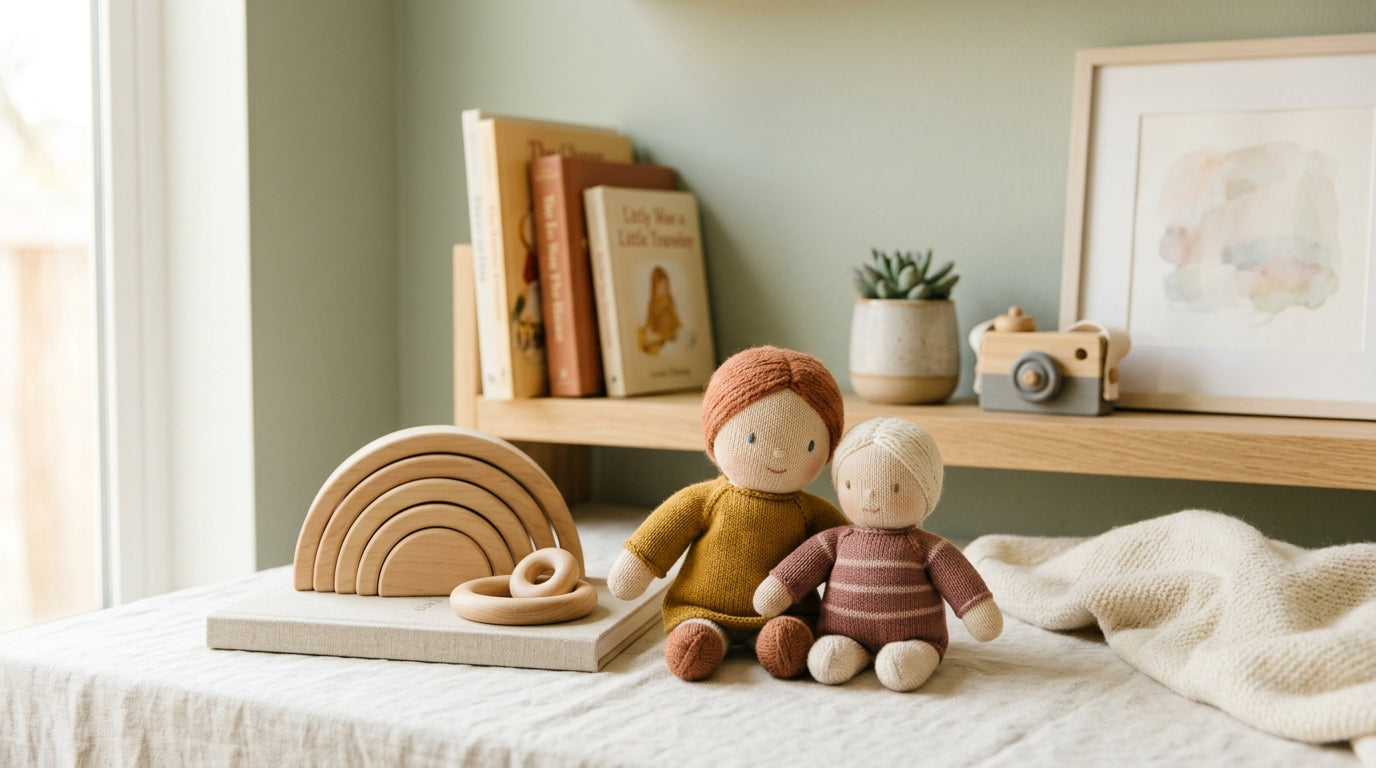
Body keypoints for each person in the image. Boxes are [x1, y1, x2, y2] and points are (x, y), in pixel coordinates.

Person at [608, 346, 849, 681]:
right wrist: (635, 567)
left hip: (785, 610)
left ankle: (777, 636)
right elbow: (660, 534)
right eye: (751, 437)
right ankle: (704, 633)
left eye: (808, 446)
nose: (778, 454)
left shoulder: (812, 512)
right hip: (701, 608)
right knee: (694, 645)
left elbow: (851, 553)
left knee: (785, 645)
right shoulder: (705, 499)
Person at [754, 417, 1003, 691]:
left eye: (895, 488)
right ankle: (849, 650)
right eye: (850, 485)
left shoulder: (927, 547)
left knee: (900, 669)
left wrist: (977, 610)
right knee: (828, 662)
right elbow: (800, 569)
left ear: (926, 488)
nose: (870, 495)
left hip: (916, 637)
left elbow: (960, 582)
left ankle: (918, 653)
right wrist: (778, 588)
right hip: (843, 633)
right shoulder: (837, 540)